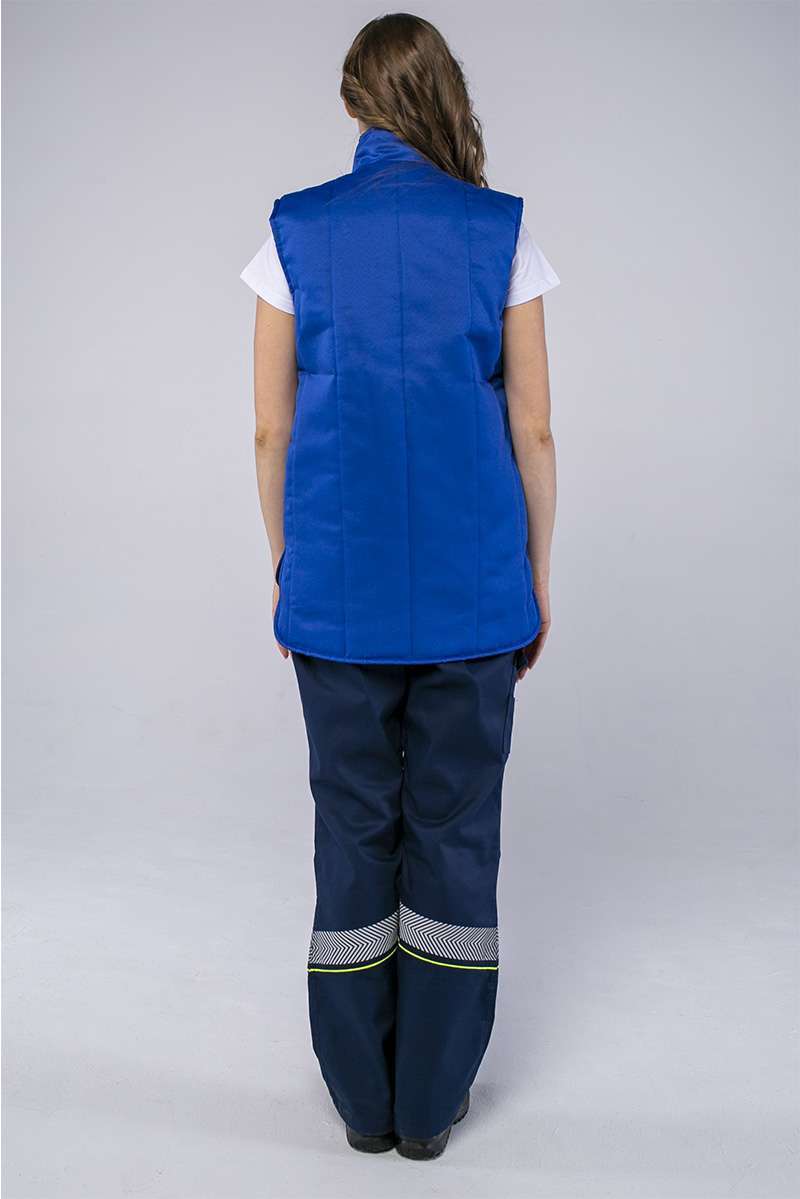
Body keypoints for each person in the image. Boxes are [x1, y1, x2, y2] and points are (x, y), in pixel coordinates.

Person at [240, 12, 559, 1162]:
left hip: (335, 597)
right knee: (453, 837)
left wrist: (289, 567)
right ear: (441, 96)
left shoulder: (291, 232)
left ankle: (359, 1102)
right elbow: (532, 427)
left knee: (352, 833)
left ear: (351, 103)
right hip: (476, 598)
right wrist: (531, 580)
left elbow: (271, 428)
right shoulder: (500, 231)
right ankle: (428, 1104)